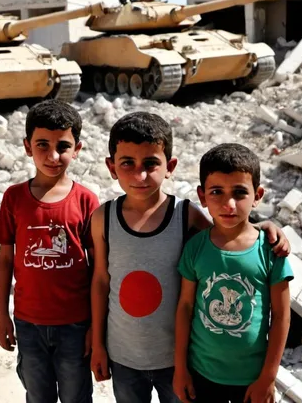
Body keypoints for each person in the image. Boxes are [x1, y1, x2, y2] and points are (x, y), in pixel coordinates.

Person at [90, 112, 291, 403]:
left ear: (169, 166)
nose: (140, 175)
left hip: (178, 359)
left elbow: (227, 235)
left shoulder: (185, 216)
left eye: (150, 163)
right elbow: (99, 281)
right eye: (127, 164)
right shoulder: (103, 219)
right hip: (124, 355)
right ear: (112, 167)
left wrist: (263, 228)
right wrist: (98, 343)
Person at [0, 99, 100, 403]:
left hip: (75, 325)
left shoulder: (86, 201)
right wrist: (2, 315)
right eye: (42, 145)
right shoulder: (14, 198)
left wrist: (95, 325)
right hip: (29, 324)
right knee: (37, 395)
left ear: (77, 149)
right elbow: (5, 260)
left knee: (75, 395)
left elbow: (98, 268)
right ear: (27, 146)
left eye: (63, 146)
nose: (53, 156)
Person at [173, 143, 294, 403]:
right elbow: (185, 307)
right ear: (202, 196)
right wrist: (181, 369)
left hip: (251, 378)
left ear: (257, 195)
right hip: (201, 373)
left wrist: (268, 378)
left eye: (240, 192)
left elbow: (282, 316)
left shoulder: (270, 250)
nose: (229, 203)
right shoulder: (195, 248)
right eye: (217, 192)